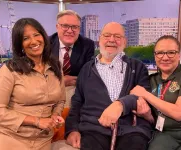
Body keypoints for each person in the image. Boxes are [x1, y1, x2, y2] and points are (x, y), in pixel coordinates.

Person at [65, 22, 154, 150]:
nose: (111, 40)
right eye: (107, 35)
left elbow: (144, 100)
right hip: (93, 130)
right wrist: (72, 130)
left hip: (132, 130)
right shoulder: (86, 69)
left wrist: (121, 105)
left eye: (117, 36)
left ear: (125, 41)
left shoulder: (137, 67)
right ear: (99, 39)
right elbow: (77, 103)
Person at [0, 18, 66, 150]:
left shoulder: (56, 66)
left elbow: (60, 100)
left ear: (44, 37)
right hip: (9, 136)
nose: (34, 41)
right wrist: (37, 121)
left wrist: (55, 116)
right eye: (26, 38)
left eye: (36, 35)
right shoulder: (10, 69)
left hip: (42, 139)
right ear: (20, 45)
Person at [50, 10, 95, 87]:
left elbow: (88, 75)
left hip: (75, 89)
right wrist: (60, 81)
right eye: (65, 26)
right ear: (57, 27)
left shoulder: (87, 45)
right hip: (50, 88)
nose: (70, 31)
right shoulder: (46, 43)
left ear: (79, 29)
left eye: (74, 27)